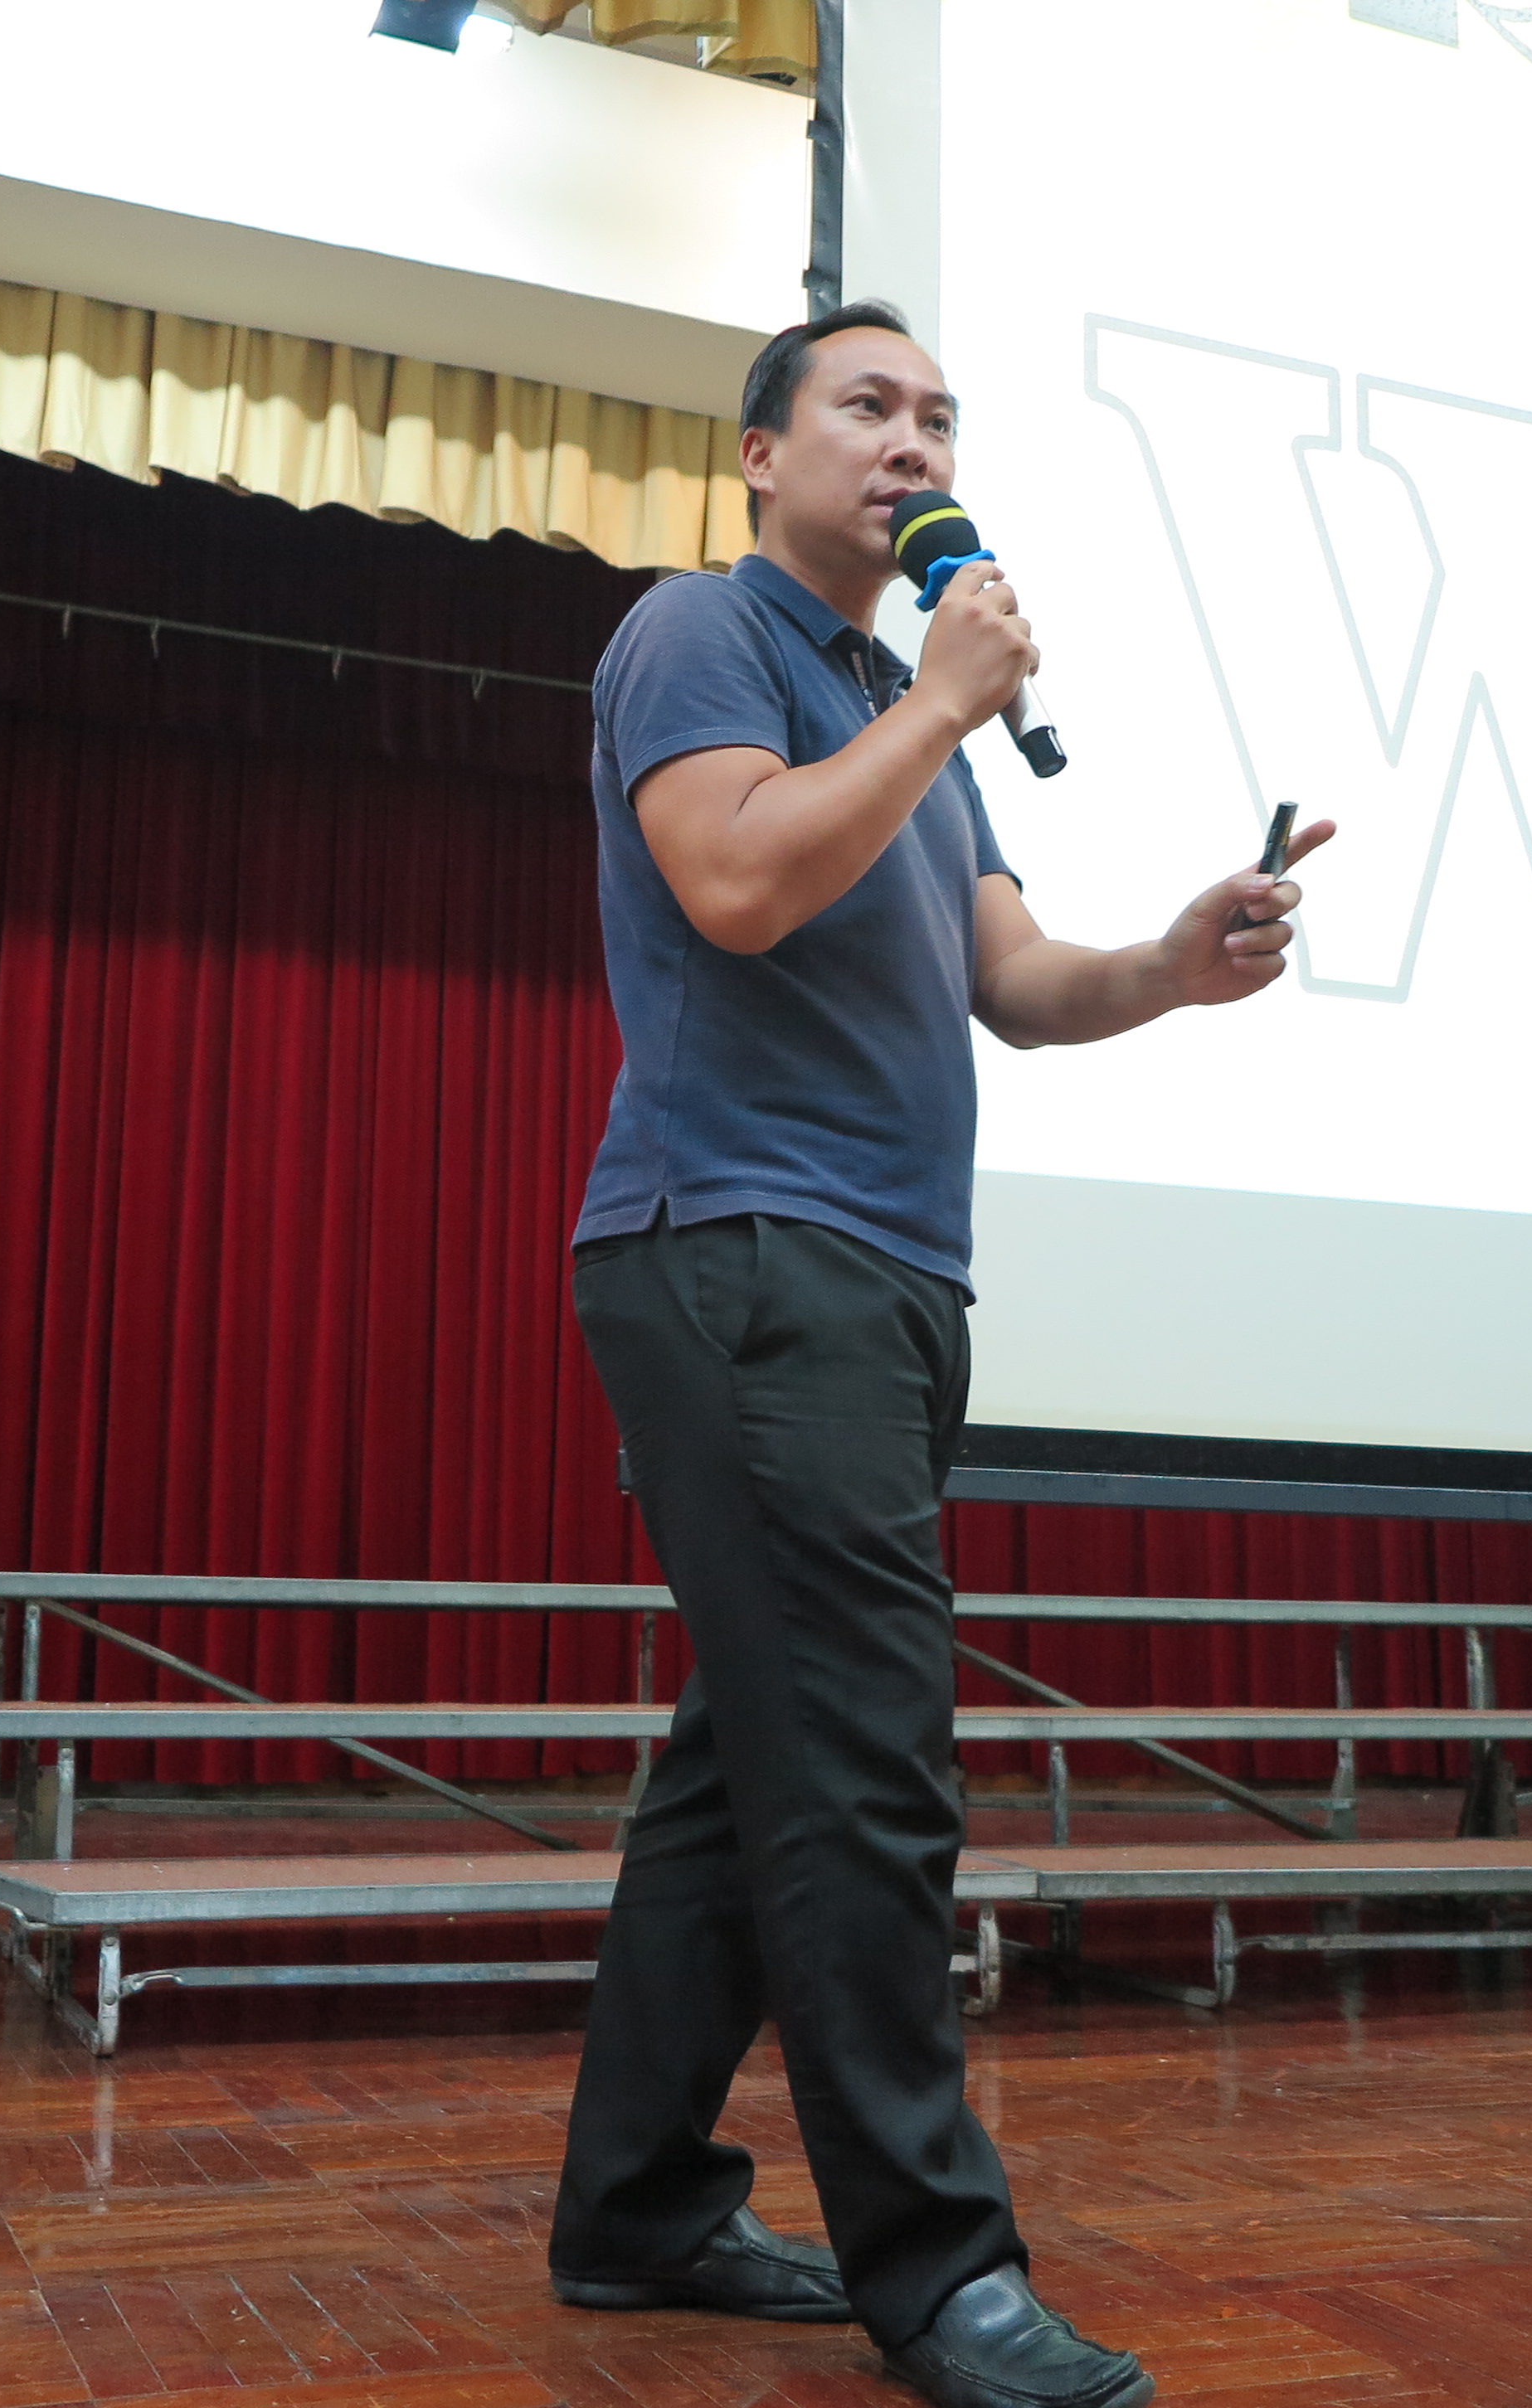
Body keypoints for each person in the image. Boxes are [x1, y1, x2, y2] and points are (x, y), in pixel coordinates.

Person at [538, 298, 1335, 2408]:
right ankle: (941, 2274)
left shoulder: (913, 715)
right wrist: (942, 703)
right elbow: (732, 879)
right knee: (867, 1771)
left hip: (887, 1276)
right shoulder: (698, 634)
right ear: (760, 455)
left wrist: (1169, 961)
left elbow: (1020, 983)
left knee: (749, 1770)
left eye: (939, 419)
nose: (913, 444)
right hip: (740, 1246)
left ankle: (636, 2208)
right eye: (867, 408)